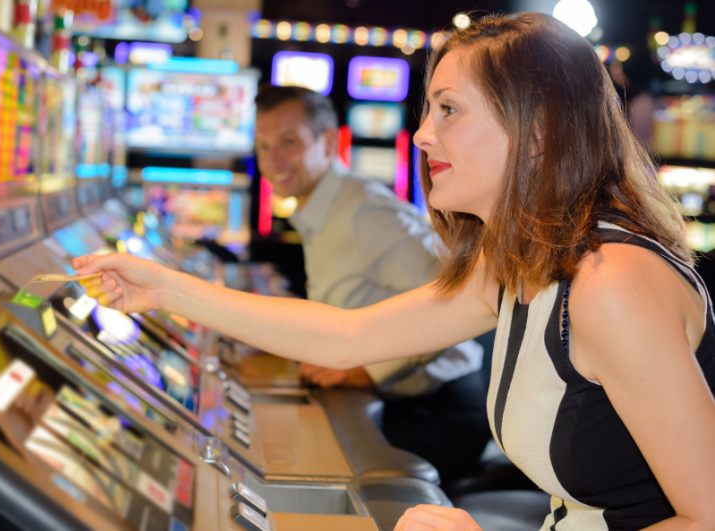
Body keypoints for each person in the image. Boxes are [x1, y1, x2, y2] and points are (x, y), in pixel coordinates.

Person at [73, 11, 715, 530]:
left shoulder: (612, 284)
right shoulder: (519, 256)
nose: (422, 136)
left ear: (538, 129)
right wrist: (163, 287)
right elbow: (349, 336)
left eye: (449, 110)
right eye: (428, 112)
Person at [253, 83, 490, 483]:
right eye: (262, 146)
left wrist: (370, 370)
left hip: (442, 410)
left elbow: (457, 296)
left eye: (288, 142)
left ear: (328, 142)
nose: (273, 159)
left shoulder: (365, 212)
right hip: (403, 400)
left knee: (314, 465)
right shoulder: (321, 209)